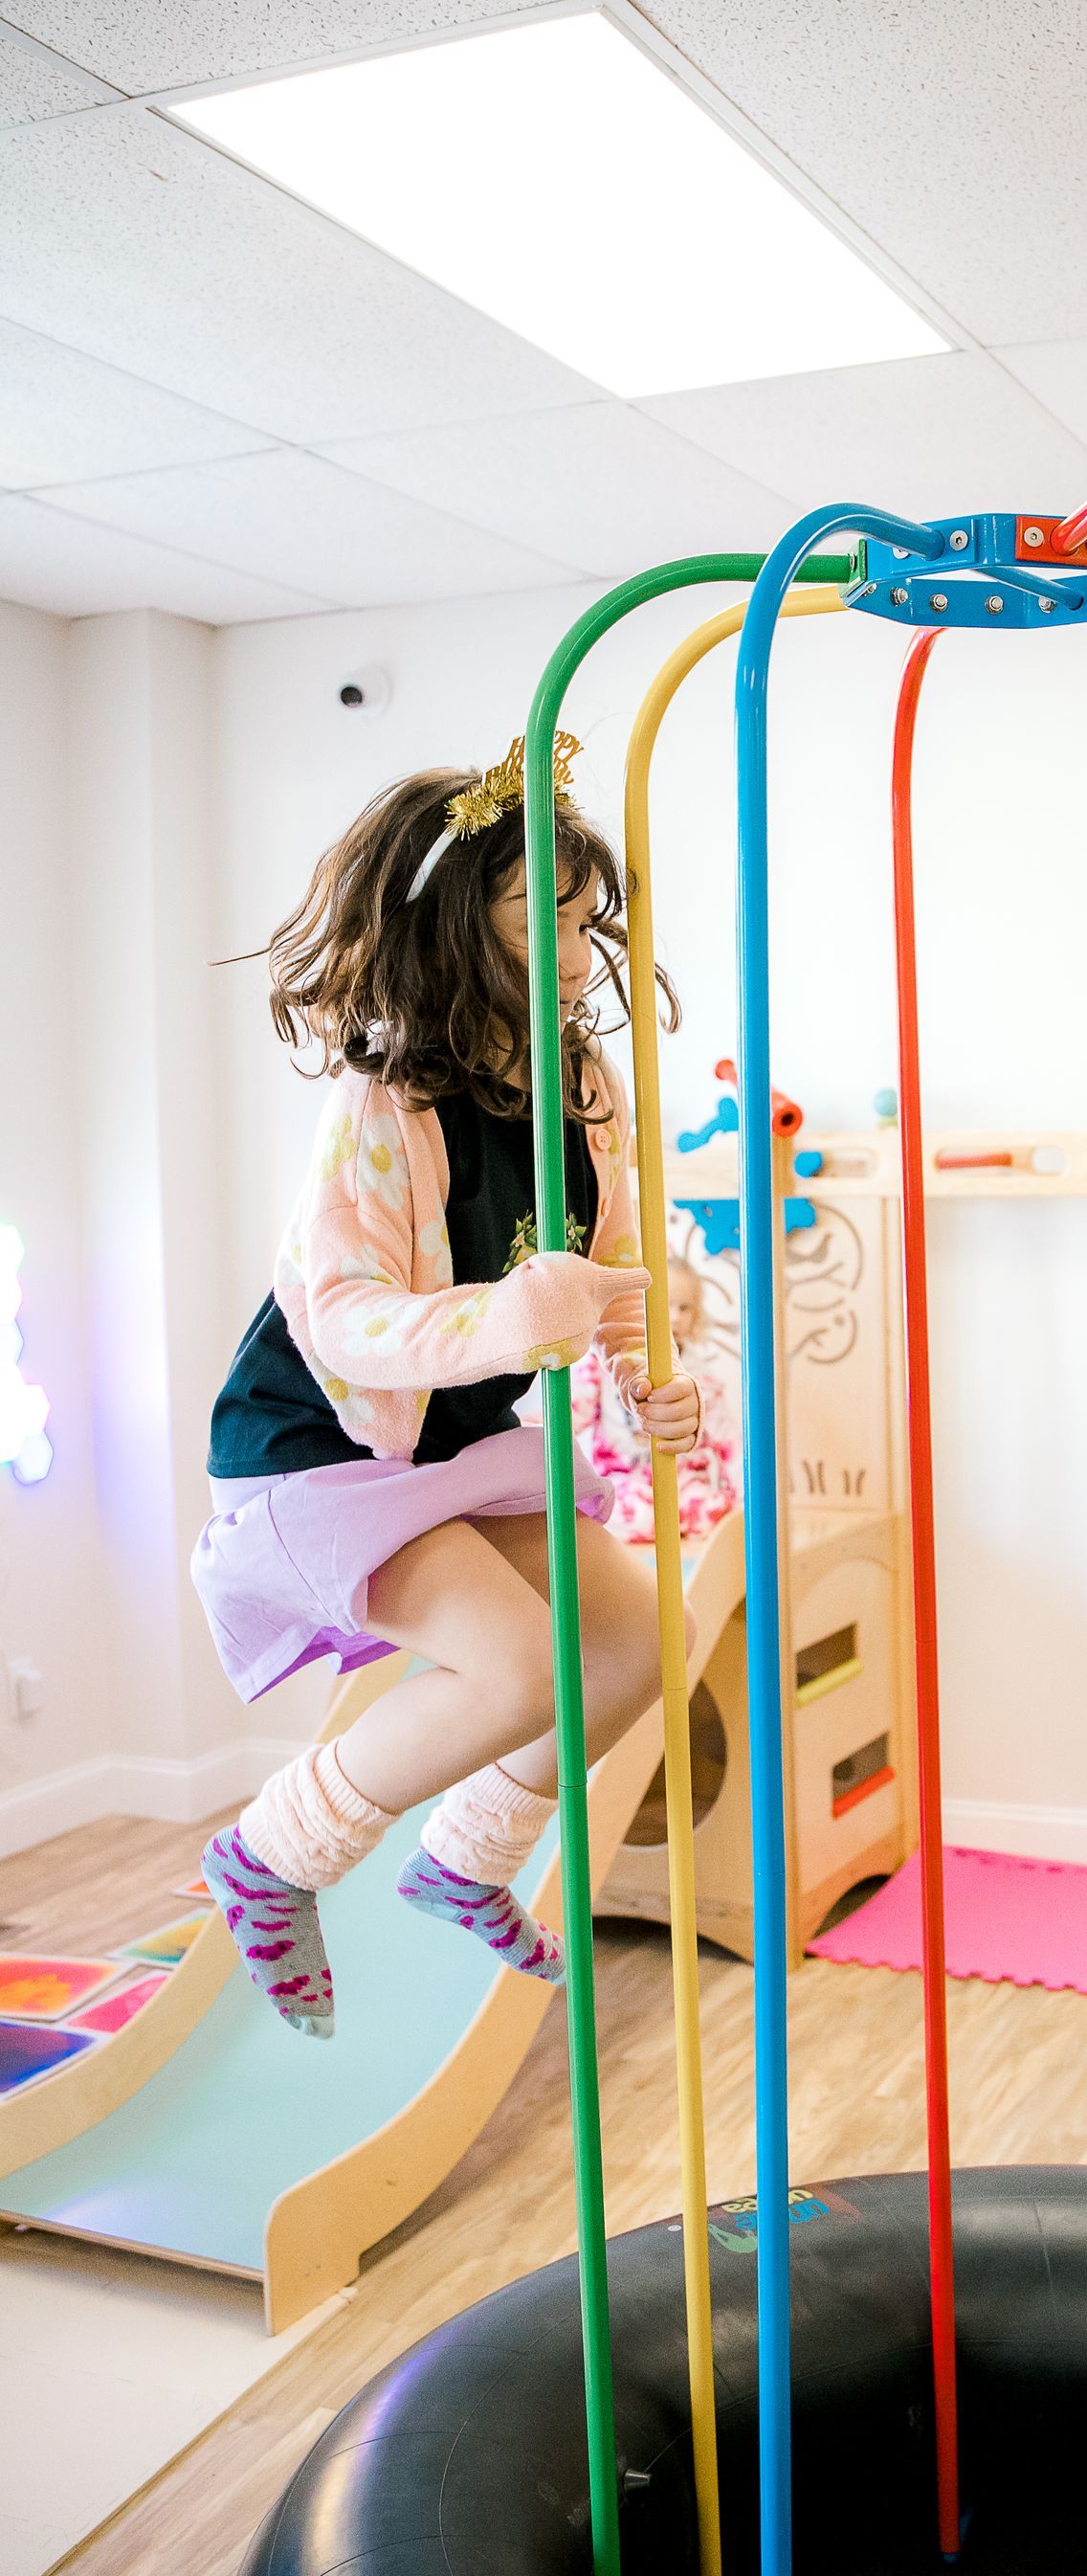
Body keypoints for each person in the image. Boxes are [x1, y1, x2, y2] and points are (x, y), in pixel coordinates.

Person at [192, 734, 700, 2038]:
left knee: (642, 1638)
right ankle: (272, 1854)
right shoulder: (384, 1102)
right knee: (523, 1669)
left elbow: (620, 1256)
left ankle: (462, 1856)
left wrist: (651, 1370)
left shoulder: (579, 1084)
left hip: (451, 1444)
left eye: (591, 923)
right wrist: (506, 1315)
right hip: (328, 1449)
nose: (581, 954)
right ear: (454, 926)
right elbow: (347, 1320)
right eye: (548, 918)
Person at [574, 1252, 739, 1544]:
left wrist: (740, 1497)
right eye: (665, 1305)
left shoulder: (700, 1374)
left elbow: (726, 1439)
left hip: (682, 1477)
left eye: (685, 1308)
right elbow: (577, 1412)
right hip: (625, 1474)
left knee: (705, 1513)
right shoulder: (602, 1365)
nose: (675, 1317)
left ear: (697, 1314)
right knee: (631, 1516)